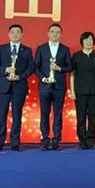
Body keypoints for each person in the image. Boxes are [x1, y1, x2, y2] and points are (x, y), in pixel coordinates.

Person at [0, 24, 34, 152]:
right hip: (3, 87)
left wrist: (20, 76)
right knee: (1, 114)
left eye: (18, 32)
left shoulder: (27, 50)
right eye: (12, 32)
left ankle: (15, 142)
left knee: (17, 114)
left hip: (19, 86)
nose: (15, 34)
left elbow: (31, 68)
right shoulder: (2, 48)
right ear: (9, 34)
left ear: (22, 35)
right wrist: (5, 70)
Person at [34, 23, 72, 151]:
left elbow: (70, 66)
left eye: (57, 32)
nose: (54, 34)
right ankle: (45, 139)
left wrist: (59, 68)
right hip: (45, 85)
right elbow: (36, 67)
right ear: (48, 34)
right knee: (44, 113)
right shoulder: (41, 48)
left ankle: (56, 139)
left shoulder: (65, 49)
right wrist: (43, 78)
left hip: (59, 86)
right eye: (52, 31)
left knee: (58, 113)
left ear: (61, 35)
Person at [70, 32, 95, 149]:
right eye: (86, 40)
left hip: (94, 91)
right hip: (80, 91)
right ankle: (82, 140)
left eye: (90, 39)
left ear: (93, 41)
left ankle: (90, 140)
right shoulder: (76, 56)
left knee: (93, 117)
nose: (88, 42)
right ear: (82, 42)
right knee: (80, 117)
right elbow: (72, 75)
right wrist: (72, 91)